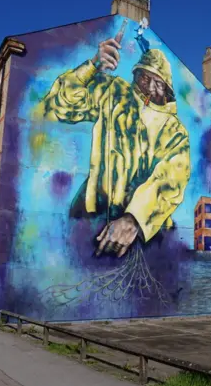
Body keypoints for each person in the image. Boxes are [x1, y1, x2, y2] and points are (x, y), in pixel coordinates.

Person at [31, 35, 191, 259]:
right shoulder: (114, 92)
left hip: (146, 230)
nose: (150, 85)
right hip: (92, 213)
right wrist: (93, 65)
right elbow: (60, 105)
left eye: (158, 81)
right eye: (144, 76)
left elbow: (173, 176)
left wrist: (135, 217)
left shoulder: (175, 129)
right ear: (136, 75)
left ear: (167, 89)